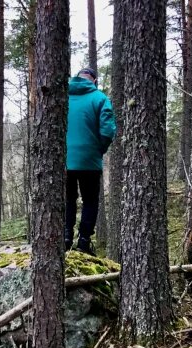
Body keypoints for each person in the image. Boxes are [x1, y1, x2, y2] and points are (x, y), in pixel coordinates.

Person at [65, 67, 116, 255]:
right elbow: (107, 131)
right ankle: (84, 241)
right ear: (94, 81)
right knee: (90, 200)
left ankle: (66, 236)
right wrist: (99, 150)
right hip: (90, 160)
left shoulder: (63, 97)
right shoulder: (100, 98)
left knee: (67, 199)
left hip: (64, 160)